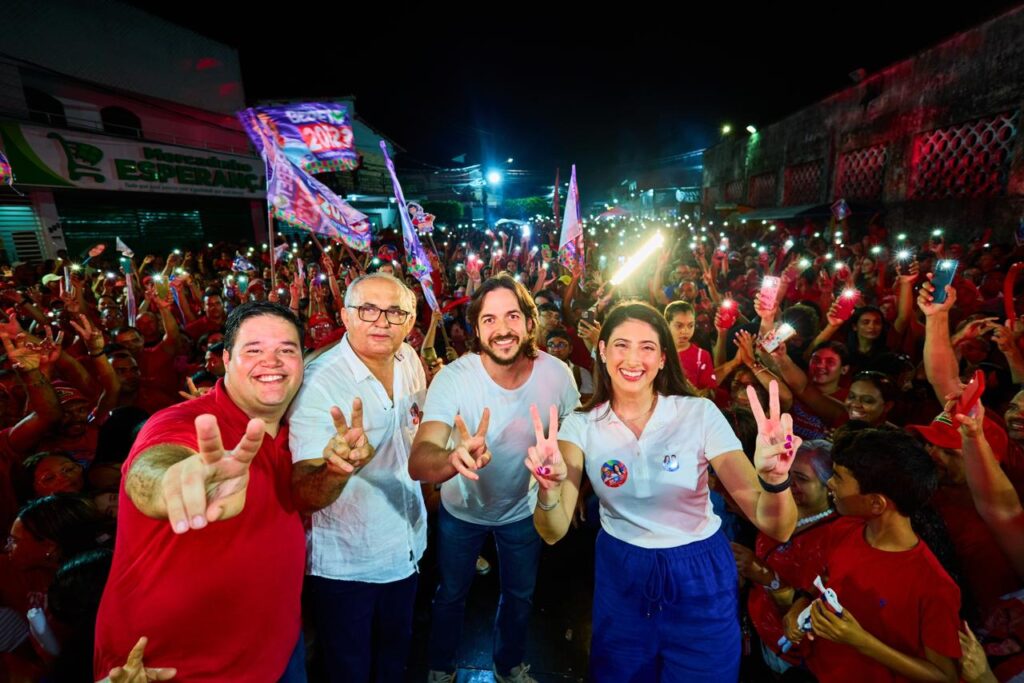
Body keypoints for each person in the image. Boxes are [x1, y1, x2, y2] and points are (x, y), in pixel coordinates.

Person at [528, 300, 799, 682]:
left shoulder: (698, 413)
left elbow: (778, 526)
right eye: (621, 344)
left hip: (699, 571)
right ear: (602, 350)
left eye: (647, 347)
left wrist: (775, 479)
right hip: (623, 570)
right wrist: (548, 489)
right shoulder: (580, 425)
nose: (633, 358)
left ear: (662, 358)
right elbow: (552, 530)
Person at [94, 302, 308, 682]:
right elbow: (151, 467)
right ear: (226, 359)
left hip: (278, 648)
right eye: (254, 350)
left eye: (286, 350)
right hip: (174, 667)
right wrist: (174, 481)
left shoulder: (300, 431)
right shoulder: (185, 421)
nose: (272, 362)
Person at [409, 274, 580, 683]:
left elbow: (576, 437)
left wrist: (565, 487)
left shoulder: (557, 375)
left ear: (529, 321)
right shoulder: (454, 378)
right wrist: (452, 459)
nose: (502, 329)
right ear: (475, 328)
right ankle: (442, 667)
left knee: (519, 596)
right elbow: (419, 459)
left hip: (523, 510)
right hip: (461, 510)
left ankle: (508, 666)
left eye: (512, 316)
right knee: (451, 595)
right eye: (488, 319)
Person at [288, 273, 427, 683]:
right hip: (349, 565)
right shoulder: (319, 384)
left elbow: (412, 441)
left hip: (407, 548)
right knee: (349, 668)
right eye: (367, 309)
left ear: (410, 319)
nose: (381, 321)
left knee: (395, 658)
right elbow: (302, 494)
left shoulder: (410, 361)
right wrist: (337, 468)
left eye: (395, 311)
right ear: (346, 317)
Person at [783, 429, 962, 683]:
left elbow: (945, 676)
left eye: (838, 476)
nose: (830, 483)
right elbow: (826, 578)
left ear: (876, 503)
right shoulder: (843, 531)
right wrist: (801, 603)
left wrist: (861, 641)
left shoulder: (933, 585)